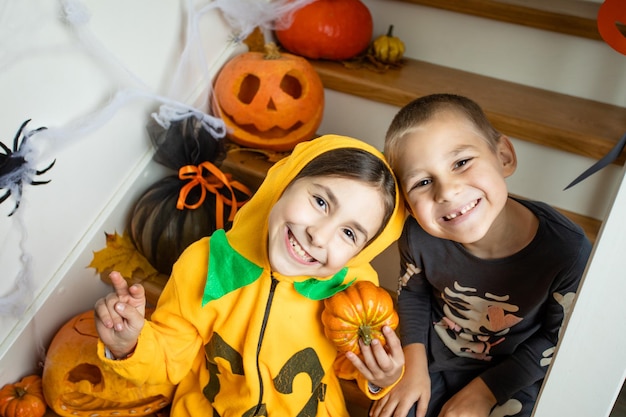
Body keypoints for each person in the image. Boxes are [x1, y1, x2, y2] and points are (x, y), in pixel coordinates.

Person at [94, 134, 407, 416]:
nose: (319, 236)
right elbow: (169, 358)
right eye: (321, 201)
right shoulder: (204, 264)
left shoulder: (353, 293)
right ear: (284, 182)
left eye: (349, 233)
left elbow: (349, 362)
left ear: (361, 252)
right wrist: (129, 345)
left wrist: (381, 377)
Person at [372, 94, 592, 417]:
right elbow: (414, 295)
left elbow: (556, 336)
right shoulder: (418, 235)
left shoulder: (568, 251)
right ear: (406, 201)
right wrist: (414, 367)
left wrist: (485, 391)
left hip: (516, 373)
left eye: (461, 163)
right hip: (436, 358)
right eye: (423, 181)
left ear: (504, 157)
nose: (446, 191)